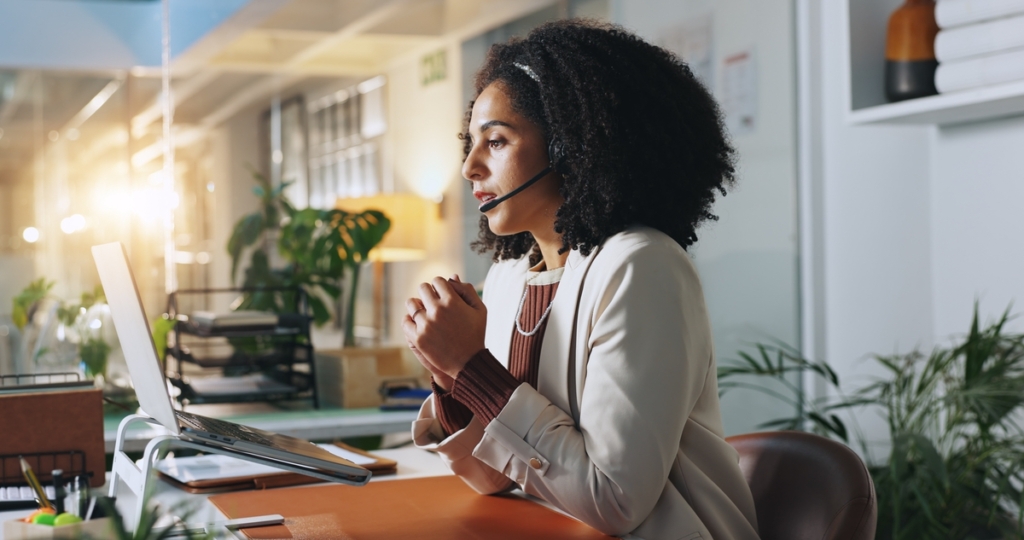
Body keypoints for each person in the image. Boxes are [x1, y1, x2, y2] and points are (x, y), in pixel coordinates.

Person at [402, 19, 759, 540]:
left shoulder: (642, 266)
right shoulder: (509, 279)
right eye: (471, 144)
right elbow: (492, 477)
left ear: (570, 147)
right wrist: (450, 373)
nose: (470, 168)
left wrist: (472, 366)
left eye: (496, 141)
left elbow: (617, 501)